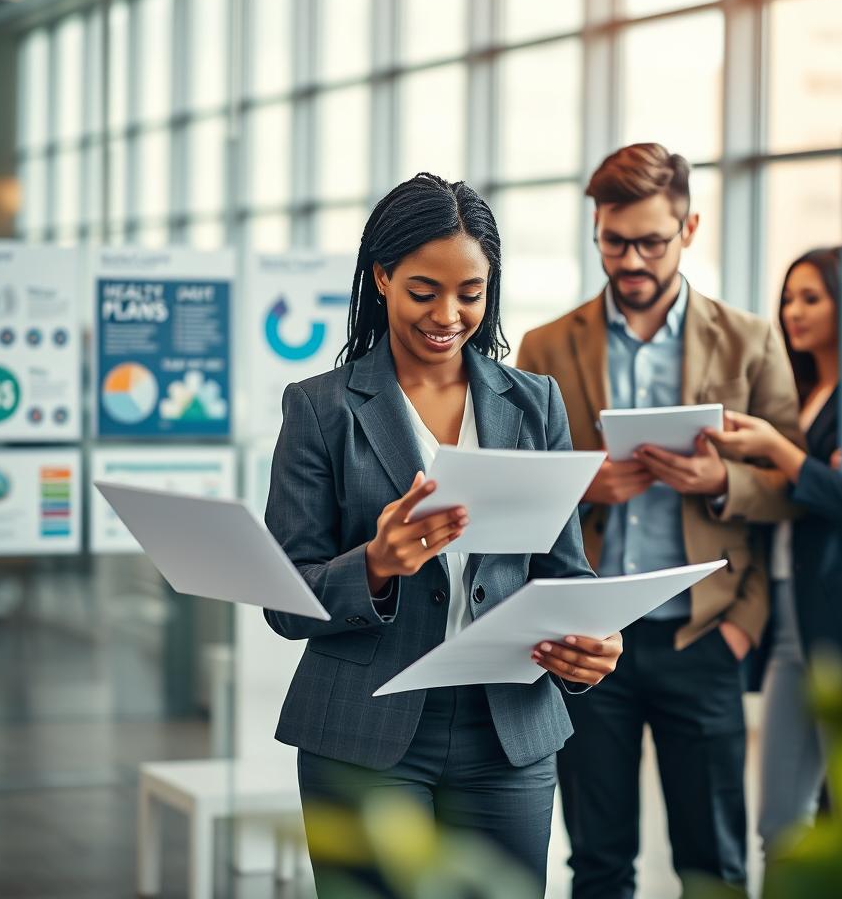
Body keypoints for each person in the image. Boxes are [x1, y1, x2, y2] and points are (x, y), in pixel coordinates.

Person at [262, 172, 622, 897]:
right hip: (363, 734)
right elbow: (285, 600)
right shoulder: (321, 409)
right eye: (424, 290)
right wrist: (375, 563)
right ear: (383, 277)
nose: (448, 314)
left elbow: (562, 569)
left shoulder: (533, 402)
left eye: (471, 292)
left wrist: (587, 638)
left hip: (508, 731)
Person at [516, 142, 802, 897]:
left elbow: (788, 484)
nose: (631, 259)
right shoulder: (546, 347)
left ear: (690, 228)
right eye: (614, 241)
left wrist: (720, 483)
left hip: (704, 633)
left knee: (713, 862)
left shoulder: (749, 340)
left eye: (651, 241)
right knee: (597, 861)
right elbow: (515, 492)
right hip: (586, 642)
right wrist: (585, 485)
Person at [706, 246, 842, 855]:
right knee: (779, 823)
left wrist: (780, 451)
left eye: (812, 297)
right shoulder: (795, 394)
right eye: (789, 298)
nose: (793, 311)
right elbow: (805, 492)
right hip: (790, 630)